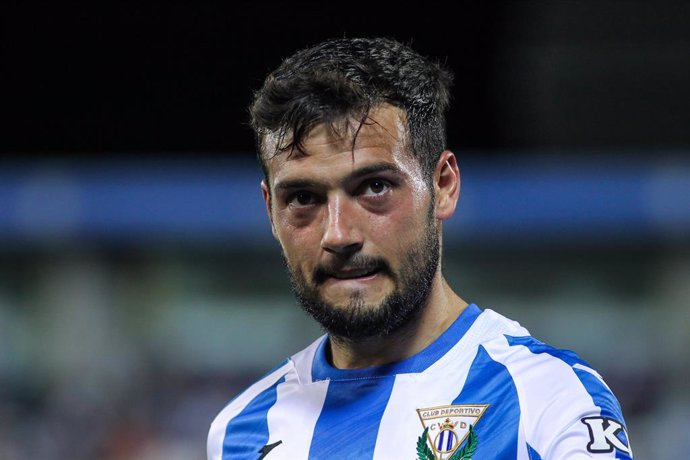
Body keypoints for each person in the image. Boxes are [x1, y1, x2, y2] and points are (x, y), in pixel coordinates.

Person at [207, 37, 633, 460]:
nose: (337, 235)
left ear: (443, 186)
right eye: (302, 198)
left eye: (375, 187)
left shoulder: (550, 404)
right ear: (270, 211)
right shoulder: (238, 433)